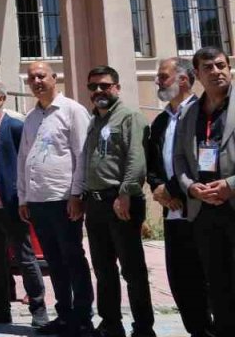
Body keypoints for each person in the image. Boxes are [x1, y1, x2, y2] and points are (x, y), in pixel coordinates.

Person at [18, 61, 94, 337]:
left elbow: (82, 155)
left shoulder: (72, 111)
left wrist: (77, 194)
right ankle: (64, 315)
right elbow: (23, 159)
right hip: (38, 200)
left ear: (54, 78)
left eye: (41, 76)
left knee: (73, 258)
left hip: (63, 198)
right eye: (31, 78)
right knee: (53, 261)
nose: (36, 81)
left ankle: (83, 318)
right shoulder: (30, 117)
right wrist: (23, 197)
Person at [80, 66, 153, 337]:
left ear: (117, 88)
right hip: (96, 204)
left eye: (104, 85)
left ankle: (143, 328)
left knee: (132, 270)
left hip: (121, 201)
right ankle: (111, 324)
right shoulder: (95, 120)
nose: (98, 91)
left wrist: (126, 193)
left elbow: (136, 158)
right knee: (103, 269)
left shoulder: (129, 116)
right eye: (93, 87)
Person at [0, 80, 49, 327]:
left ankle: (38, 309)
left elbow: (28, 162)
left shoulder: (15, 127)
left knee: (25, 259)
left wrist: (24, 197)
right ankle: (1, 308)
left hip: (11, 205)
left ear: (2, 99)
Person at [148, 57, 212, 337]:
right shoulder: (161, 121)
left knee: (211, 280)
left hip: (201, 210)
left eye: (163, 77)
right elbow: (153, 165)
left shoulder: (203, 114)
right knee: (182, 282)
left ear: (184, 80)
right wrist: (158, 189)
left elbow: (203, 162)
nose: (158, 82)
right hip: (172, 214)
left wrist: (174, 189)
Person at [173, 46, 235, 336]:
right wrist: (191, 188)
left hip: (232, 203)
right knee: (217, 284)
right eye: (208, 67)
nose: (216, 71)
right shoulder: (189, 114)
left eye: (221, 65)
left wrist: (229, 185)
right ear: (196, 74)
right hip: (204, 212)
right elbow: (179, 159)